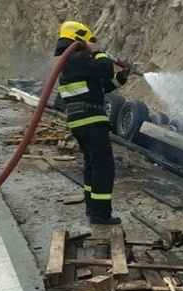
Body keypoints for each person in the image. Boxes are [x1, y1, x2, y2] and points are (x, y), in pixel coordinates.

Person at [54, 21, 130, 225]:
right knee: (104, 167)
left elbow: (100, 87)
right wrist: (98, 51)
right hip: (90, 120)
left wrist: (122, 76)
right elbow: (104, 68)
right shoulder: (76, 57)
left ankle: (92, 208)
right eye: (89, 40)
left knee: (92, 165)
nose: (91, 44)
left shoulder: (72, 63)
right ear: (78, 38)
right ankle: (100, 214)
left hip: (82, 121)